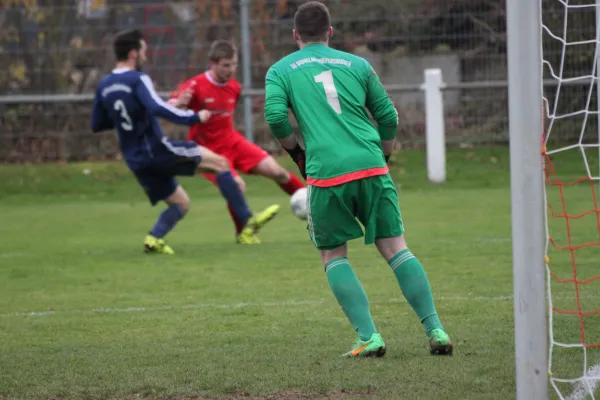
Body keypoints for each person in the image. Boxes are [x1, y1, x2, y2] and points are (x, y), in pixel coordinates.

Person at [264, 1, 453, 357]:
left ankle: (369, 337)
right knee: (396, 248)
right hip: (371, 165)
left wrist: (296, 153)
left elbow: (275, 116)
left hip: (327, 174)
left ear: (295, 36)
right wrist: (383, 156)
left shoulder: (281, 70)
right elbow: (389, 117)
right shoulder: (358, 64)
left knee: (333, 254)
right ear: (330, 32)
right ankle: (436, 330)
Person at [91, 29, 277, 254]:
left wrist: (132, 117)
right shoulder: (138, 79)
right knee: (221, 164)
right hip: (157, 150)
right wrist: (193, 117)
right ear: (133, 53)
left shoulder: (105, 84)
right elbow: (157, 108)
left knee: (181, 203)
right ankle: (247, 222)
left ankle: (154, 239)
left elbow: (98, 124)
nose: (145, 56)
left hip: (135, 159)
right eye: (143, 51)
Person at [168, 40, 305, 244]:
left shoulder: (234, 86)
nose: (231, 70)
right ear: (212, 64)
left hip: (233, 142)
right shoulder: (196, 85)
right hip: (209, 151)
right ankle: (243, 232)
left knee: (278, 172)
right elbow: (169, 107)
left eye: (233, 64)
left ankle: (315, 209)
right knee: (236, 185)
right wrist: (178, 104)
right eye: (225, 65)